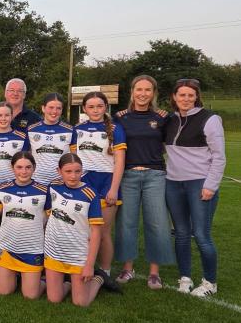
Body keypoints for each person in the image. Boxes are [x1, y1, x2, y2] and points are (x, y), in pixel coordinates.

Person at [164, 78, 226, 297]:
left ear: (196, 97)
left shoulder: (210, 119)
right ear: (174, 97)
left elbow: (219, 157)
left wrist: (211, 185)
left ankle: (210, 282)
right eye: (182, 95)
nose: (186, 99)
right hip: (173, 183)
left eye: (190, 95)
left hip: (199, 183)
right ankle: (185, 278)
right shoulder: (169, 119)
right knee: (180, 234)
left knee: (201, 235)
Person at [113, 76, 173, 289]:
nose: (143, 94)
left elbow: (168, 145)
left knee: (156, 223)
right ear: (132, 91)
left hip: (154, 175)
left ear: (153, 93)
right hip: (127, 176)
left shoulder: (163, 117)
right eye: (139, 89)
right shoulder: (120, 117)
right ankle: (127, 268)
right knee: (126, 223)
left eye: (148, 90)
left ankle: (154, 273)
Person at [71, 91, 126, 284]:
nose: (95, 110)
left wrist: (113, 188)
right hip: (83, 182)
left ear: (106, 107)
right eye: (91, 107)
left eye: (99, 106)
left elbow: (119, 162)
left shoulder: (115, 129)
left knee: (103, 232)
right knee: (82, 230)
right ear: (84, 109)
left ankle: (105, 273)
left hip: (106, 183)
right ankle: (84, 266)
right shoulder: (77, 129)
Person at [44, 153, 105, 307]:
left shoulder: (90, 194)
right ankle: (71, 284)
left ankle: (99, 279)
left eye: (77, 171)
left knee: (80, 303)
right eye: (68, 171)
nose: (73, 176)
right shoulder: (53, 187)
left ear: (82, 171)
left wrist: (89, 265)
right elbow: (49, 213)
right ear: (59, 171)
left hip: (78, 254)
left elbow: (96, 232)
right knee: (54, 299)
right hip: (54, 251)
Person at [0, 152, 49, 300]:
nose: (23, 171)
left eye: (28, 167)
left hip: (32, 249)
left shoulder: (44, 191)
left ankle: (47, 281)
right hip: (7, 247)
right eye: (19, 167)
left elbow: (51, 217)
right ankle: (18, 276)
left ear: (34, 168)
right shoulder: (3, 188)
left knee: (30, 296)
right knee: (4, 292)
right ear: (12, 167)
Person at [27, 93, 74, 186]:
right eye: (51, 107)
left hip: (61, 183)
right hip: (36, 182)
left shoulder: (70, 130)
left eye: (58, 108)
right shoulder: (31, 129)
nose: (54, 111)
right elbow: (25, 156)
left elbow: (75, 158)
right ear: (43, 108)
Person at [0, 101, 29, 184]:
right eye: (0, 115)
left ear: (11, 116)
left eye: (7, 115)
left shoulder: (22, 137)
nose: (3, 118)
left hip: (12, 184)